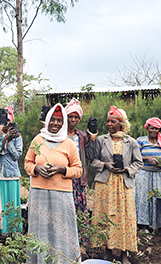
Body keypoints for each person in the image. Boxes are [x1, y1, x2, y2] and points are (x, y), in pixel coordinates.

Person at [24, 104, 83, 264]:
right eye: (53, 120)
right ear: (48, 120)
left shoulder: (69, 143)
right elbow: (27, 163)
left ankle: (63, 260)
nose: (55, 123)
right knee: (39, 230)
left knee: (62, 231)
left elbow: (78, 170)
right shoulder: (38, 140)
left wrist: (62, 170)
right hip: (39, 194)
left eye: (59, 120)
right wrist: (36, 169)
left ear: (64, 123)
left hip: (61, 196)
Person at [91, 106, 142, 264]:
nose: (109, 124)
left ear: (121, 123)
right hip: (105, 184)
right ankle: (106, 250)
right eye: (107, 121)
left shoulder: (131, 142)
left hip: (124, 184)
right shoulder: (101, 140)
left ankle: (124, 253)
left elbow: (138, 162)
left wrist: (127, 169)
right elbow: (93, 160)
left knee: (124, 217)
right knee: (105, 215)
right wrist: (106, 165)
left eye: (112, 121)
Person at [64, 98, 96, 248]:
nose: (73, 119)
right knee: (64, 208)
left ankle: (81, 242)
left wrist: (93, 138)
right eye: (70, 116)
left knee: (80, 209)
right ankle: (64, 240)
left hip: (79, 178)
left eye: (76, 117)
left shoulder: (81, 136)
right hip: (63, 177)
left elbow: (90, 156)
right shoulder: (60, 135)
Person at [0, 106, 23, 234]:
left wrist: (9, 141)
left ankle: (15, 231)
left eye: (8, 121)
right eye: (3, 121)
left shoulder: (17, 136)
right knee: (1, 204)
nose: (5, 124)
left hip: (12, 174)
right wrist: (3, 138)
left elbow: (16, 156)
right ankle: (1, 231)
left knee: (13, 204)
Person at [134, 117, 161, 232]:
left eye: (157, 129)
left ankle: (157, 225)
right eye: (152, 128)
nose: (154, 131)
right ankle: (142, 224)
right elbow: (135, 156)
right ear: (147, 128)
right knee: (142, 198)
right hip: (143, 174)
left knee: (157, 198)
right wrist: (147, 158)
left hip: (157, 175)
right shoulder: (141, 141)